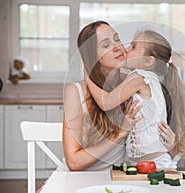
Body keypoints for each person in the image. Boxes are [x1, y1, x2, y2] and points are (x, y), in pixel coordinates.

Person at [62, 21, 176, 171]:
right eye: (106, 45)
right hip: (81, 178)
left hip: (117, 178)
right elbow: (73, 163)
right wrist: (120, 134)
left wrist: (170, 144)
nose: (117, 47)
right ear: (92, 57)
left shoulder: (134, 84)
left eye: (117, 39)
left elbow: (148, 140)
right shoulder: (75, 92)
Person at [85, 29, 185, 169]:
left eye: (133, 47)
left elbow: (106, 102)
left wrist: (88, 77)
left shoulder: (140, 77)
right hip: (150, 163)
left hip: (155, 165)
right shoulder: (149, 80)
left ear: (148, 61)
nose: (126, 49)